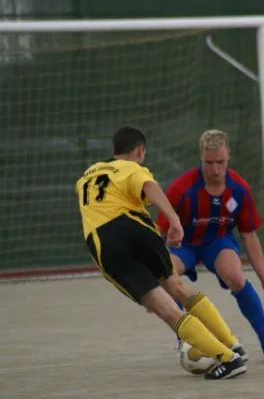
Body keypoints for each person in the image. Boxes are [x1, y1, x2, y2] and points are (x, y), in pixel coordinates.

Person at [75, 126, 247, 379]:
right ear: (140, 151)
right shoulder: (132, 167)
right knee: (177, 287)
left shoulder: (86, 176)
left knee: (164, 308)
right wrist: (174, 220)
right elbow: (149, 187)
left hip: (104, 240)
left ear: (113, 151)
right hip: (136, 227)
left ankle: (228, 359)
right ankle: (232, 345)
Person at [156, 129, 264, 361]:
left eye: (220, 162)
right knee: (167, 276)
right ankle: (187, 338)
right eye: (209, 162)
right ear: (200, 158)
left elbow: (249, 235)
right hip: (184, 244)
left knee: (236, 278)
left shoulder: (240, 189)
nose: (215, 169)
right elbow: (159, 231)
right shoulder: (180, 189)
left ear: (229, 157)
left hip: (217, 241)